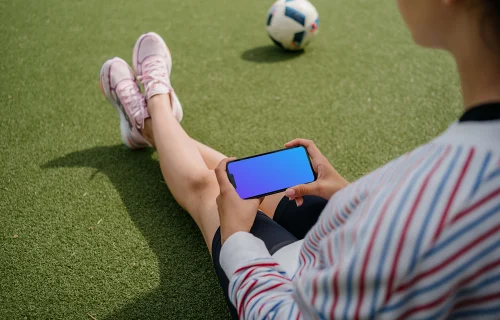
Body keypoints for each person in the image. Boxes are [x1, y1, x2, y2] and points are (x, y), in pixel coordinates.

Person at [99, 0, 500, 318]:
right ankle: (155, 123)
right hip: (352, 234)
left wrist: (237, 238)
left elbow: (283, 313)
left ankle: (155, 107)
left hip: (298, 278)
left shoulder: (446, 194)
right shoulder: (457, 173)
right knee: (239, 175)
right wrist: (352, 194)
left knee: (212, 190)